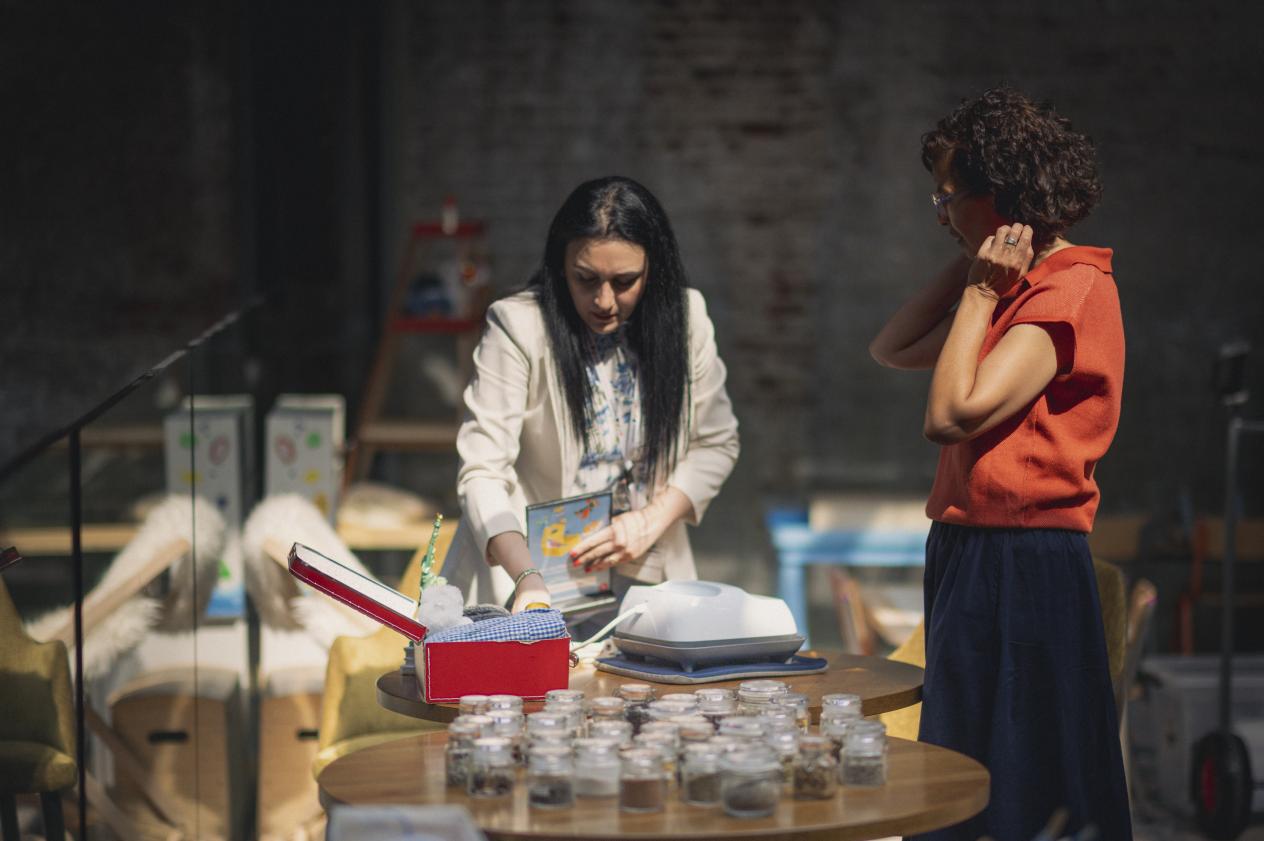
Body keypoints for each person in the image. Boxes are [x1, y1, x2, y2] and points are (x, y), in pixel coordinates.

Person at [869, 88, 1131, 839]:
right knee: (961, 760)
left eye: (948, 195)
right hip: (969, 549)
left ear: (1004, 194)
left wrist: (983, 291)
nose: (940, 213)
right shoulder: (1016, 288)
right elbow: (891, 347)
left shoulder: (1069, 289)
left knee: (1023, 774)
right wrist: (973, 270)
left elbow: (950, 415)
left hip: (1024, 558)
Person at [442, 176, 740, 621]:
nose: (604, 300)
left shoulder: (686, 318)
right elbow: (482, 470)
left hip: (647, 581)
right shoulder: (518, 326)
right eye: (585, 279)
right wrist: (529, 580)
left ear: (653, 270)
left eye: (624, 282)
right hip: (527, 580)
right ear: (561, 267)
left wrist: (649, 522)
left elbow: (717, 442)